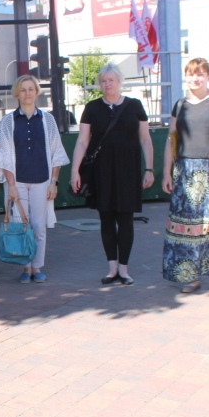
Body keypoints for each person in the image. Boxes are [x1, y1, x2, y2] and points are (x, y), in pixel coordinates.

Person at [70, 63, 154, 285]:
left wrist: (149, 169)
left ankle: (124, 269)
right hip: (102, 170)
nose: (107, 84)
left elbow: (145, 139)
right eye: (103, 81)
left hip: (128, 169)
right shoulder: (92, 107)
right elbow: (82, 141)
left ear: (119, 82)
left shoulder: (135, 105)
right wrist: (75, 170)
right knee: (106, 218)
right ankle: (112, 268)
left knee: (125, 219)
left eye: (111, 80)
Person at [161, 58, 209, 294]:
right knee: (186, 227)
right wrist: (166, 172)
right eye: (191, 74)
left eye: (200, 74)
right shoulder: (180, 105)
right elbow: (172, 139)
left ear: (208, 76)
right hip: (184, 171)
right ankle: (191, 277)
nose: (195, 78)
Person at [0, 75, 70, 283]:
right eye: (23, 90)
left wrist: (54, 182)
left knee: (39, 226)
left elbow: (56, 152)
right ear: (17, 94)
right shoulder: (8, 121)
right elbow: (4, 155)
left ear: (36, 92)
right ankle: (26, 267)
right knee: (21, 225)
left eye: (31, 89)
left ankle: (37, 267)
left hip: (42, 180)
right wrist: (11, 185)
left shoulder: (47, 120)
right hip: (18, 181)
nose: (27, 93)